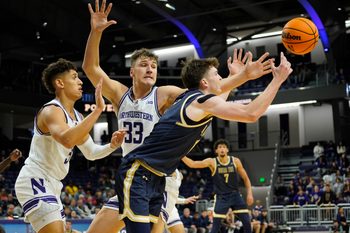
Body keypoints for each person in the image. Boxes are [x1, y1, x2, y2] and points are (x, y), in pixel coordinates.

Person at [82, 0, 274, 232]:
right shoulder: (119, 94)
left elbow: (206, 95)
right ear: (132, 71)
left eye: (154, 65)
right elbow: (90, 68)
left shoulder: (164, 94)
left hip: (161, 177)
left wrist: (238, 78)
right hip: (133, 174)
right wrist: (95, 31)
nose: (150, 69)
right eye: (144, 65)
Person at [115, 51, 291, 232]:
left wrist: (237, 76)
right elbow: (251, 113)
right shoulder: (198, 102)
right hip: (137, 172)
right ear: (205, 82)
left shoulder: (197, 101)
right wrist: (277, 80)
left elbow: (220, 98)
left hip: (156, 178)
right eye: (217, 75)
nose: (220, 78)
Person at [14, 58, 126, 233]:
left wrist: (111, 146)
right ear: (60, 83)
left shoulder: (78, 117)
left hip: (53, 184)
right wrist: (97, 111)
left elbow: (91, 152)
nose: (80, 81)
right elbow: (66, 139)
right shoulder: (52, 110)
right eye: (74, 77)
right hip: (35, 178)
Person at [182, 139, 254, 233]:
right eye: (220, 147)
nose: (222, 149)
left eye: (224, 147)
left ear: (227, 150)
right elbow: (193, 164)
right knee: (215, 227)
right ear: (216, 151)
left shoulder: (235, 161)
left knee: (247, 223)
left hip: (235, 195)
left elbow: (246, 178)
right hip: (221, 197)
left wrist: (250, 193)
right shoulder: (212, 162)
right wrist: (181, 155)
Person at [152, 169, 199, 233]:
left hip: (171, 208)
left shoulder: (177, 171)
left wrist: (184, 200)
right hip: (160, 206)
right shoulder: (160, 167)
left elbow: (171, 196)